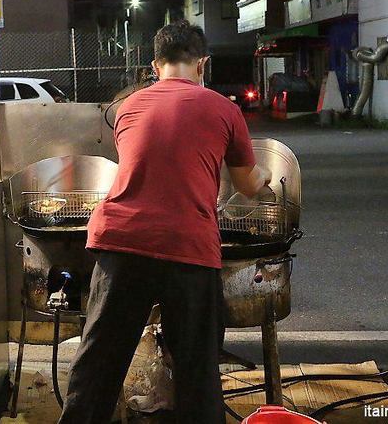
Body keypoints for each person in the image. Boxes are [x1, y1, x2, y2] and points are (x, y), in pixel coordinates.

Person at [58, 21, 269, 424]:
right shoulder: (225, 109)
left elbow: (149, 163)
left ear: (156, 66)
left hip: (121, 242)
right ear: (202, 64)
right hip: (189, 246)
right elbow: (247, 183)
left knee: (98, 365)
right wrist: (263, 178)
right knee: (196, 371)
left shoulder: (128, 108)